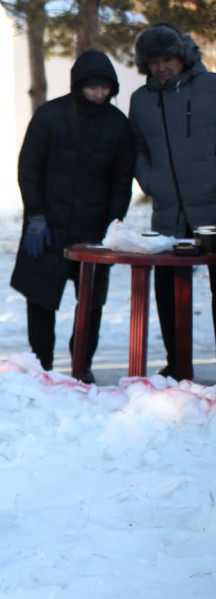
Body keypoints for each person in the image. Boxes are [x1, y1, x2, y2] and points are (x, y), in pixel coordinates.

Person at [10, 51, 135, 383]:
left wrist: (114, 224)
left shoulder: (118, 125)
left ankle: (83, 365)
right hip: (47, 226)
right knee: (40, 300)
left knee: (91, 302)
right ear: (78, 85)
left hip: (93, 229)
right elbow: (29, 168)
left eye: (105, 88)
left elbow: (122, 180)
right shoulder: (50, 116)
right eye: (92, 87)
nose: (98, 93)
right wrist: (35, 216)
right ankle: (41, 367)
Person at [128, 24, 216, 381]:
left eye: (167, 59)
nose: (161, 67)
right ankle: (177, 362)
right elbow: (137, 148)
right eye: (154, 62)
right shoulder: (141, 100)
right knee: (168, 290)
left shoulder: (212, 87)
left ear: (182, 56)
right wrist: (152, 182)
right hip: (167, 211)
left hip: (212, 207)